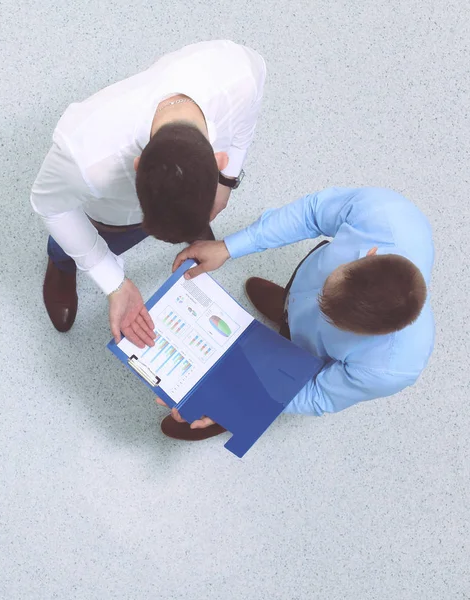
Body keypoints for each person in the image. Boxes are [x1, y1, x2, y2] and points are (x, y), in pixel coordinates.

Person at [30, 40, 266, 348]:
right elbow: (50, 205)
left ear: (218, 160)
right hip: (110, 215)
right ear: (136, 166)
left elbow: (244, 124)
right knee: (83, 239)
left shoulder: (240, 75)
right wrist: (112, 281)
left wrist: (226, 183)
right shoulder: (86, 155)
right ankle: (62, 265)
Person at [158, 187, 434, 441]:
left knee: (240, 396)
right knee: (293, 303)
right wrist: (229, 247)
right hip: (299, 286)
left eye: (332, 319)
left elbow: (317, 396)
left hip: (308, 360)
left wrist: (235, 398)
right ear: (369, 255)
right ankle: (286, 310)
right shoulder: (384, 213)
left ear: (376, 335)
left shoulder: (390, 368)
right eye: (326, 288)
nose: (317, 304)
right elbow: (311, 214)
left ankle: (227, 412)